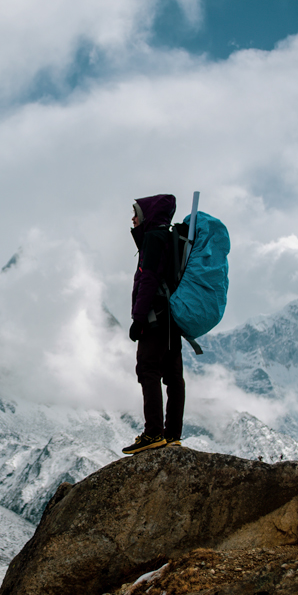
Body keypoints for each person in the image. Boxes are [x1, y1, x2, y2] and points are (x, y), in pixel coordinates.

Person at [123, 194, 185, 454]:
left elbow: (147, 280)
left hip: (155, 318)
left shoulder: (153, 240)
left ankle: (153, 434)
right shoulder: (172, 239)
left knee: (148, 370)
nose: (133, 219)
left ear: (147, 215)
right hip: (174, 320)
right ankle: (172, 436)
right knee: (174, 378)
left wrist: (138, 320)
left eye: (136, 214)